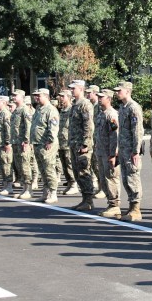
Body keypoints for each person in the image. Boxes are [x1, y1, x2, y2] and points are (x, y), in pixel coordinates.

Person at [115, 81, 145, 221]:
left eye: (119, 90)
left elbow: (137, 130)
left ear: (127, 91)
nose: (117, 93)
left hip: (131, 150)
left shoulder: (134, 107)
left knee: (133, 177)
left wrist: (136, 150)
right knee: (126, 179)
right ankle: (131, 206)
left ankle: (136, 209)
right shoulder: (122, 108)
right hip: (123, 148)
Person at [68, 80, 96, 211]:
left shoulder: (85, 104)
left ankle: (89, 200)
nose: (72, 90)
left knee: (84, 171)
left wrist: (85, 144)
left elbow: (88, 126)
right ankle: (84, 199)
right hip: (74, 144)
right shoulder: (75, 104)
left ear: (81, 88)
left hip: (81, 145)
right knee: (77, 172)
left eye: (74, 88)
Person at [95, 89, 122, 219]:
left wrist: (113, 154)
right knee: (103, 178)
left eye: (102, 97)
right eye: (98, 96)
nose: (99, 98)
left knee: (111, 178)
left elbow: (115, 135)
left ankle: (115, 205)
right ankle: (110, 203)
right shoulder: (101, 114)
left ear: (109, 99)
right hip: (101, 151)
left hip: (109, 152)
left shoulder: (111, 115)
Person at [29, 87, 60, 203]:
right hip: (38, 143)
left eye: (38, 95)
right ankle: (46, 192)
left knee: (49, 168)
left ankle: (53, 192)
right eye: (35, 95)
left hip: (46, 144)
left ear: (46, 96)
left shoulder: (50, 110)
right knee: (42, 169)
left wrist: (50, 141)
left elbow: (53, 127)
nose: (36, 97)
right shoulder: (38, 109)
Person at [10, 90, 34, 199]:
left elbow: (29, 126)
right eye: (13, 95)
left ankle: (28, 189)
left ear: (22, 97)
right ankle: (24, 188)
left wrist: (26, 141)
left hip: (23, 143)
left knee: (25, 166)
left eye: (16, 95)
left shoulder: (25, 109)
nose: (13, 97)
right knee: (19, 166)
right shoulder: (16, 111)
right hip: (15, 142)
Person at [57, 90, 77, 196]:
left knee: (70, 164)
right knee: (64, 165)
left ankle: (74, 184)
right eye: (60, 97)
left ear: (69, 97)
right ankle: (69, 183)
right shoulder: (63, 110)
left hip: (68, 142)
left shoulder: (72, 109)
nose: (60, 99)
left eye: (63, 96)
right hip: (61, 142)